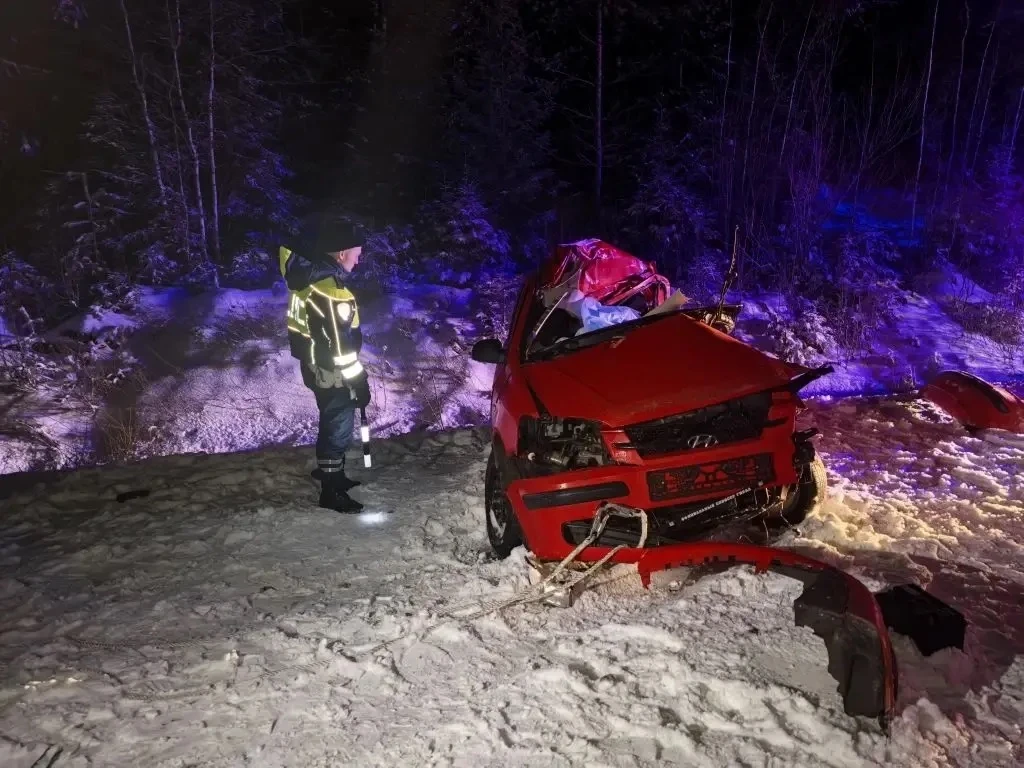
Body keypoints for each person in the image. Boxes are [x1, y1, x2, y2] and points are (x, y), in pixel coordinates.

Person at [279, 217, 372, 513]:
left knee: (331, 419)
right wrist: (358, 381)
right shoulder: (331, 291)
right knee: (338, 426)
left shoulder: (307, 281)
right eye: (357, 254)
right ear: (342, 253)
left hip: (313, 365)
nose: (358, 261)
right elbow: (341, 348)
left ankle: (334, 474)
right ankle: (331, 492)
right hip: (332, 371)